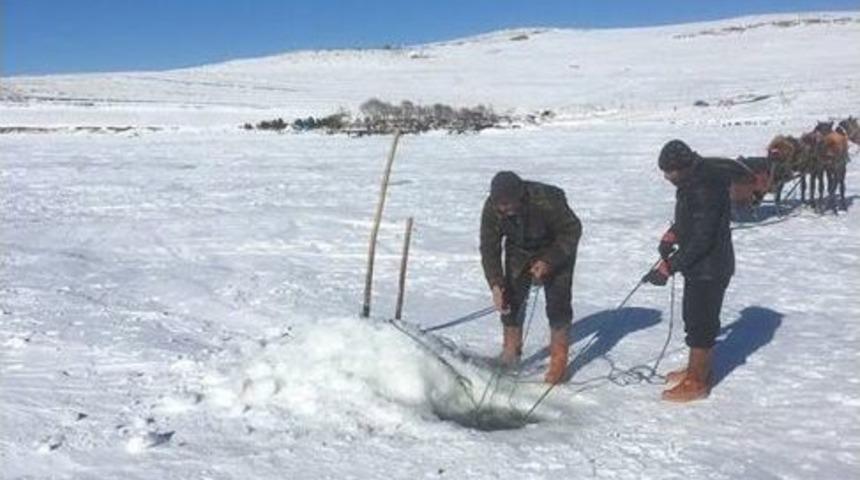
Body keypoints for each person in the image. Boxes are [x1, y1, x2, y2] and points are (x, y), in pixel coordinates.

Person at [643, 140, 735, 402]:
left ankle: (697, 381)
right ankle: (696, 368)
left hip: (710, 266)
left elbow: (702, 238)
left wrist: (670, 266)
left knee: (701, 322)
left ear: (683, 166)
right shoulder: (692, 180)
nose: (667, 177)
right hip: (700, 265)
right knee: (694, 318)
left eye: (670, 172)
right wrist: (673, 233)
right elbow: (690, 221)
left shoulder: (704, 187)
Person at [479, 171, 582, 384]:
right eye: (500, 205)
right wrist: (496, 285)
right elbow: (489, 248)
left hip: (556, 247)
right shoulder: (493, 207)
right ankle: (510, 352)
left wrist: (549, 261)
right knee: (511, 300)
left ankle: (559, 359)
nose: (503, 210)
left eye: (508, 204)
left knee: (557, 304)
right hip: (519, 249)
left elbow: (572, 229)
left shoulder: (546, 199)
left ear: (520, 196)